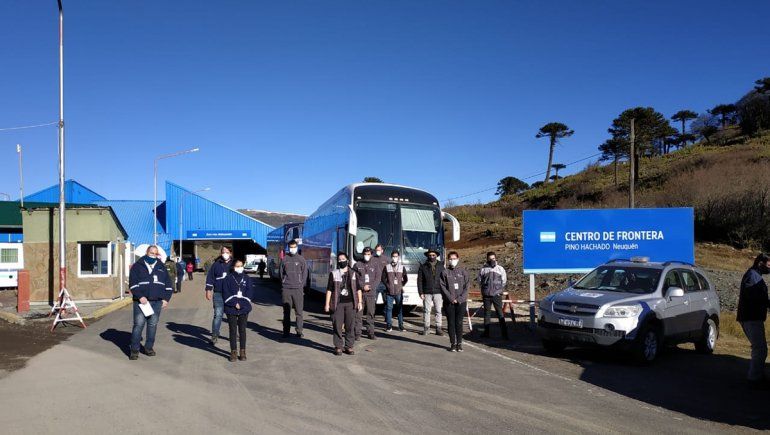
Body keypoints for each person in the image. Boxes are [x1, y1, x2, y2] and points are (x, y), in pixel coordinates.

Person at [128, 245, 174, 360]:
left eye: (155, 253)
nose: (153, 255)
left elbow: (168, 284)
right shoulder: (137, 266)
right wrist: (140, 296)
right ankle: (134, 350)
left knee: (152, 325)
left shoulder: (161, 266)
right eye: (151, 253)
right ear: (146, 253)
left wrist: (166, 299)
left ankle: (149, 347)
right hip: (141, 302)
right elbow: (133, 284)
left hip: (156, 302)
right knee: (138, 325)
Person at [737, 253, 770, 388]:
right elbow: (753, 297)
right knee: (760, 349)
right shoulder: (752, 276)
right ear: (760, 263)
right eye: (768, 265)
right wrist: (768, 303)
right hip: (751, 318)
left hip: (753, 317)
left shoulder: (756, 276)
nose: (769, 268)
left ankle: (757, 375)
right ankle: (754, 379)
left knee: (759, 348)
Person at [325, 252, 363, 355]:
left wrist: (360, 302)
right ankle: (338, 346)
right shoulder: (334, 273)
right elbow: (329, 290)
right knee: (337, 325)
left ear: (347, 260)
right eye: (340, 259)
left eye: (343, 259)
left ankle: (349, 346)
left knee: (350, 325)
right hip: (338, 304)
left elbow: (359, 289)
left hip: (351, 303)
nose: (341, 261)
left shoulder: (354, 273)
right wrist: (327, 304)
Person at [222, 259, 254, 362]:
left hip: (244, 308)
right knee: (233, 330)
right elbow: (225, 293)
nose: (239, 268)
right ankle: (233, 352)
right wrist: (234, 303)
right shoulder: (228, 278)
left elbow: (249, 293)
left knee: (242, 330)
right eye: (237, 266)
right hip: (231, 307)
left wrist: (242, 303)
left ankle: (243, 351)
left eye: (241, 266)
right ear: (233, 267)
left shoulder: (247, 278)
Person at [440, 251, 470, 352]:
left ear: (458, 259)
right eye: (450, 259)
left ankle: (459, 343)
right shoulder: (444, 272)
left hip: (461, 302)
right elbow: (443, 287)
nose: (452, 261)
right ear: (448, 260)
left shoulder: (463, 271)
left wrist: (460, 299)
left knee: (459, 322)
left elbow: (467, 287)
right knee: (451, 323)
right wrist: (450, 298)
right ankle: (453, 343)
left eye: (454, 258)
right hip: (449, 302)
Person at [205, 246, 234, 344]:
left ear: (230, 253)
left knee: (232, 315)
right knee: (218, 315)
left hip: (231, 294)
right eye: (223, 252)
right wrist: (208, 290)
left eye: (226, 251)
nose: (224, 253)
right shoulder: (216, 265)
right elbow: (210, 277)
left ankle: (233, 334)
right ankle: (214, 335)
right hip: (218, 293)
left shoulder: (234, 264)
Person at [353, 247, 384, 340]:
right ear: (363, 254)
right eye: (365, 254)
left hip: (371, 293)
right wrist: (363, 287)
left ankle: (370, 333)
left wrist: (370, 287)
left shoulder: (375, 264)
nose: (367, 255)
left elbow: (378, 278)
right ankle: (357, 333)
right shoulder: (357, 265)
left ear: (371, 254)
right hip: (360, 293)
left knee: (370, 313)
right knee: (358, 314)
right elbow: (354, 279)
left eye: (369, 254)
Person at [281, 239, 308, 338]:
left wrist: (301, 285)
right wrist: (284, 283)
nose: (292, 249)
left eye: (294, 247)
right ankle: (286, 331)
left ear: (297, 247)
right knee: (286, 312)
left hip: (298, 289)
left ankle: (299, 331)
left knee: (299, 312)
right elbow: (281, 274)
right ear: (288, 248)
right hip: (286, 289)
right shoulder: (284, 259)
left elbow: (305, 274)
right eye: (291, 247)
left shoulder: (301, 259)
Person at [478, 251, 509, 340]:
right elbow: (479, 281)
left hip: (497, 295)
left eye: (493, 258)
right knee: (487, 314)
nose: (492, 260)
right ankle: (486, 333)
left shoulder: (500, 269)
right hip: (486, 295)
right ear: (487, 259)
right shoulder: (483, 269)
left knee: (500, 313)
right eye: (490, 258)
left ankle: (504, 334)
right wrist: (484, 290)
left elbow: (504, 281)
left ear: (496, 258)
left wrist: (498, 290)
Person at [417, 248, 445, 336]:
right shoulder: (423, 266)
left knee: (438, 311)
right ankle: (426, 328)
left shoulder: (441, 266)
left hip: (438, 292)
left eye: (433, 255)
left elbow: (444, 279)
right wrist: (421, 292)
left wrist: (444, 292)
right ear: (427, 256)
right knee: (426, 311)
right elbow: (420, 281)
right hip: (427, 292)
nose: (431, 257)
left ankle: (438, 328)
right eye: (430, 255)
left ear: (436, 256)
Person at [382, 250, 408, 332]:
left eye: (396, 256)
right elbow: (383, 278)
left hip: (398, 292)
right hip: (389, 292)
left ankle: (401, 326)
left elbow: (406, 278)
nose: (395, 258)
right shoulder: (387, 267)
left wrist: (401, 285)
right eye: (393, 256)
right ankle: (389, 326)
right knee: (389, 309)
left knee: (399, 309)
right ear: (391, 257)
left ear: (398, 257)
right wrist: (387, 285)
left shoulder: (402, 267)